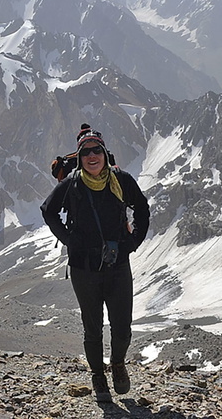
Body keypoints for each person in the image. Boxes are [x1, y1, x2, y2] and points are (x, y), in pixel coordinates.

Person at [41, 123, 150, 403]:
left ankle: (118, 363)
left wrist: (133, 241)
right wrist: (68, 239)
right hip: (84, 267)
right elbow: (48, 211)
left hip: (117, 265)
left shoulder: (121, 179)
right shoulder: (71, 184)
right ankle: (98, 376)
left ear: (104, 153)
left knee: (122, 326)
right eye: (86, 152)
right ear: (79, 157)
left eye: (96, 151)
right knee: (93, 327)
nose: (92, 156)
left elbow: (142, 207)